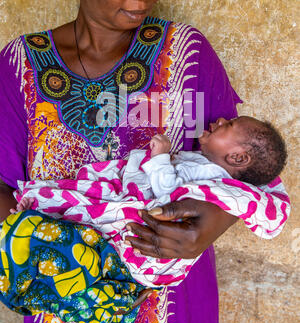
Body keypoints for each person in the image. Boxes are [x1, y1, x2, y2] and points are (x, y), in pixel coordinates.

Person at [0, 0, 290, 323]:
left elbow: (251, 167)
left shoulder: (185, 57)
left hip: (173, 315)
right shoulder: (20, 66)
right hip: (62, 305)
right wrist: (60, 258)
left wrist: (207, 226)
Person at [8, 115, 287, 291]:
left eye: (229, 125)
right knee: (75, 238)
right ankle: (34, 225)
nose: (221, 119)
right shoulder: (208, 167)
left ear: (237, 159)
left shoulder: (210, 176)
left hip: (142, 234)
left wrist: (160, 158)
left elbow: (168, 199)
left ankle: (34, 220)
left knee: (81, 224)